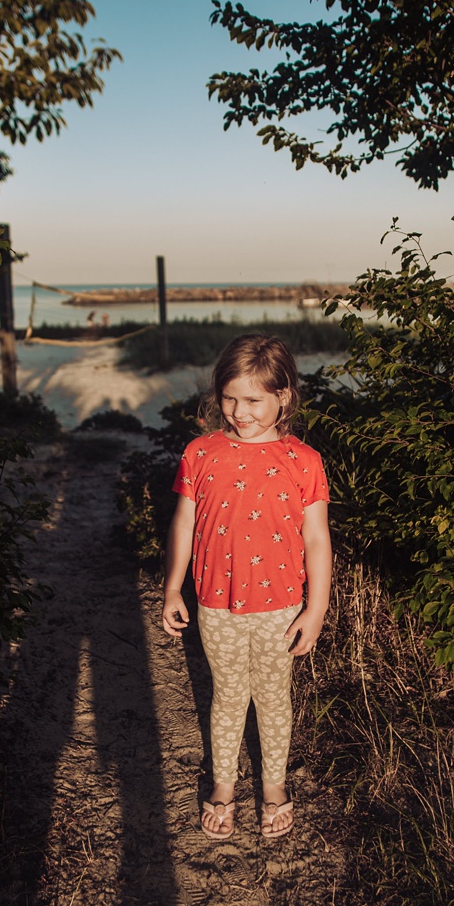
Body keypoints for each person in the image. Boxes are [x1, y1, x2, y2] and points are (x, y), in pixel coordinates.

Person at [161, 334, 331, 840]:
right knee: (229, 695)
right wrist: (173, 587)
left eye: (254, 399)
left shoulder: (304, 460)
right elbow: (183, 524)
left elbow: (318, 540)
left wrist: (316, 610)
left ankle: (274, 788)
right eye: (230, 397)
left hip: (282, 606)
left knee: (274, 697)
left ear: (285, 397)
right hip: (216, 603)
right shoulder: (200, 452)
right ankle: (223, 788)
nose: (239, 411)